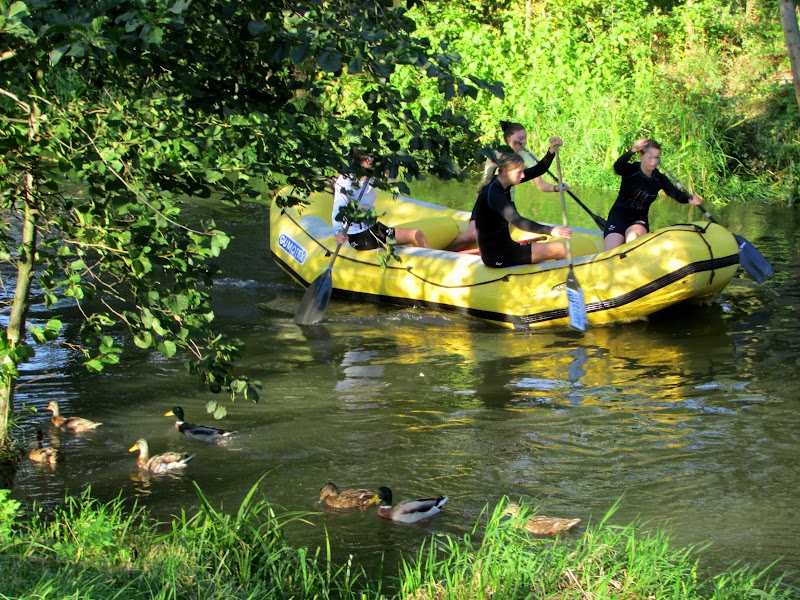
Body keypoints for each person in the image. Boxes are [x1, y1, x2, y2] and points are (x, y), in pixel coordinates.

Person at [446, 121, 569, 252]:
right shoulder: (498, 154)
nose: (524, 142)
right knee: (471, 236)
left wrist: (551, 151)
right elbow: (499, 159)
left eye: (525, 138)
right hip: (487, 202)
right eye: (520, 139)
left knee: (501, 239)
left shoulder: (519, 161)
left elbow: (538, 170)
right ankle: (443, 254)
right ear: (509, 139)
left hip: (505, 204)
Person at [473, 138, 572, 268]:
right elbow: (518, 221)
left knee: (545, 257)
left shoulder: (503, 182)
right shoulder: (494, 193)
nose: (523, 175)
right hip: (497, 256)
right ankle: (568, 284)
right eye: (519, 172)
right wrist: (551, 230)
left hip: (507, 248)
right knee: (560, 249)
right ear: (505, 171)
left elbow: (538, 170)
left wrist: (552, 150)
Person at [604, 138, 702, 251]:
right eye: (650, 157)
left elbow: (675, 193)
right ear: (641, 156)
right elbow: (617, 168)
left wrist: (689, 198)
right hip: (618, 216)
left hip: (638, 220)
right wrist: (633, 150)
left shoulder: (659, 179)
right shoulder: (631, 170)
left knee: (633, 238)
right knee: (611, 251)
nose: (654, 162)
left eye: (656, 157)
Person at [332, 150, 429, 250]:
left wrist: (390, 170)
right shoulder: (345, 182)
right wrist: (338, 232)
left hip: (374, 226)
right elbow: (338, 208)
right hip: (358, 235)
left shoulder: (372, 174)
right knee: (409, 240)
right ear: (367, 162)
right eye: (371, 161)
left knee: (417, 235)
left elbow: (391, 179)